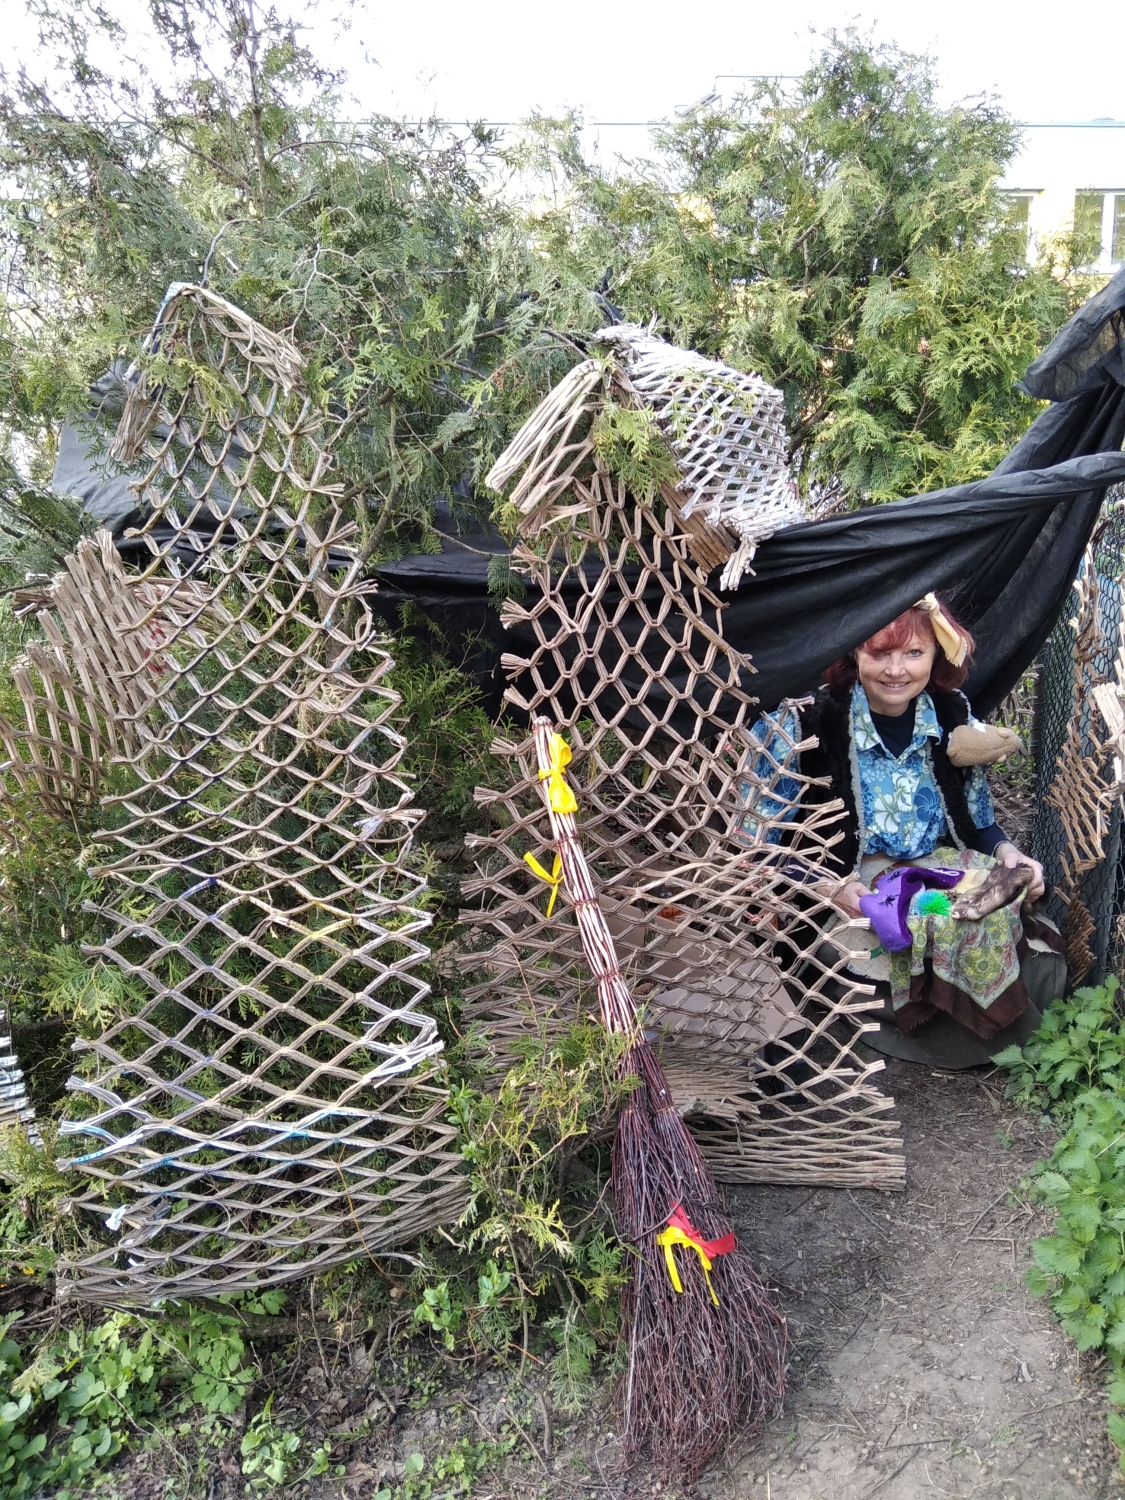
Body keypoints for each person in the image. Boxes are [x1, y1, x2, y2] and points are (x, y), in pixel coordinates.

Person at [736, 596, 1063, 1068]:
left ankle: (1000, 1022)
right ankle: (937, 1029)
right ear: (854, 652)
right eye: (879, 653)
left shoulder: (951, 716)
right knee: (916, 928)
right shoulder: (802, 723)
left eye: (913, 653)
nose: (896, 670)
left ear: (935, 656)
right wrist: (828, 888)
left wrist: (1010, 855)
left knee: (996, 909)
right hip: (847, 881)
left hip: (935, 866)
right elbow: (754, 846)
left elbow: (980, 822)